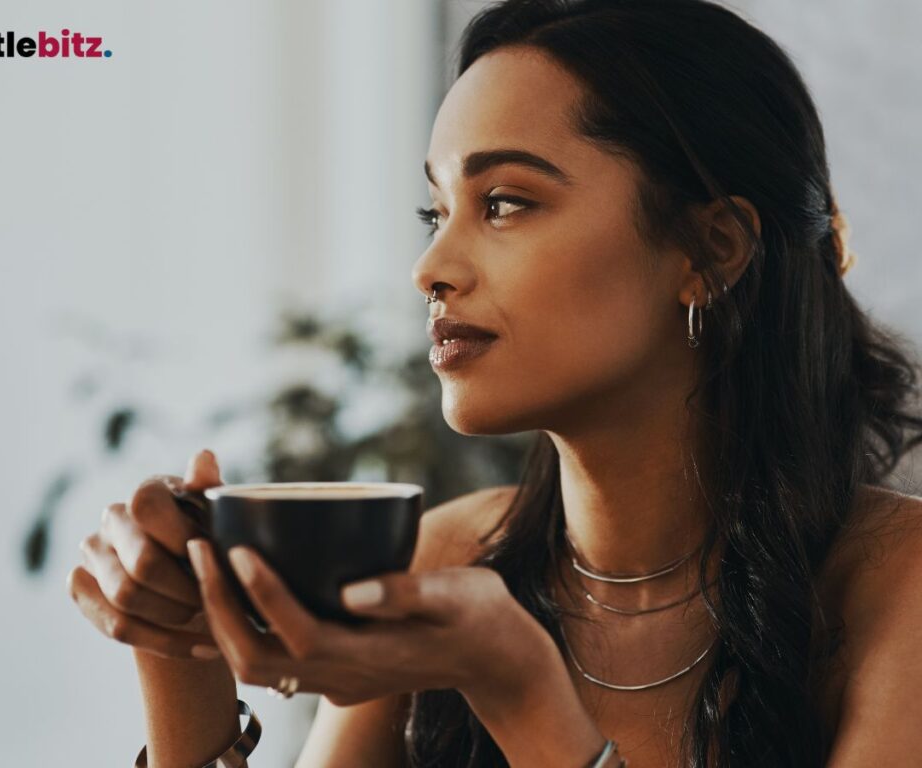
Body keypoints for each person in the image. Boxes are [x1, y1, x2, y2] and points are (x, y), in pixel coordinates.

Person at [66, 0, 922, 765]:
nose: (430, 267)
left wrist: (516, 688)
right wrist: (184, 660)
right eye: (434, 213)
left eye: (505, 202)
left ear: (713, 249)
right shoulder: (446, 555)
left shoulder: (899, 587)